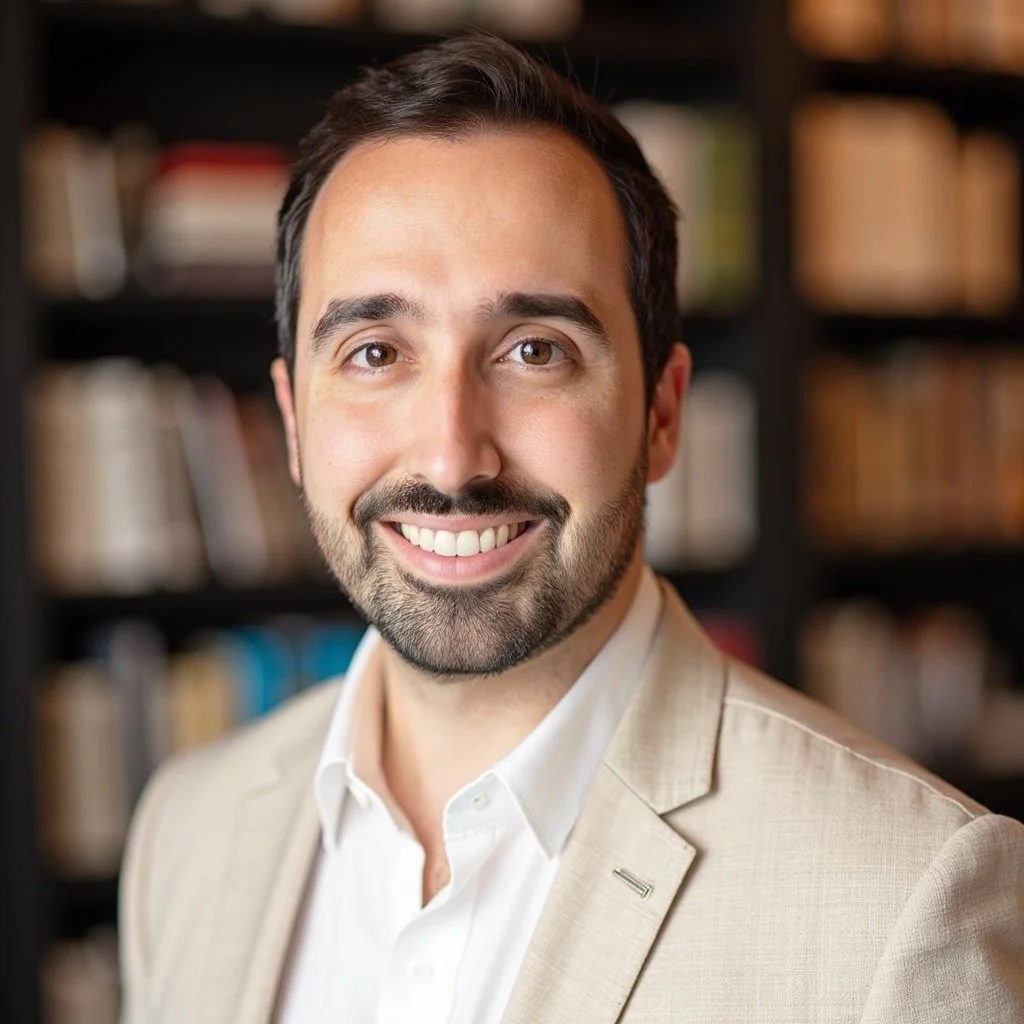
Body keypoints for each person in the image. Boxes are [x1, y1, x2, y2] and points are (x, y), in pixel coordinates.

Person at [118, 33, 1024, 1024]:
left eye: (534, 350)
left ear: (661, 412)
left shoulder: (904, 896)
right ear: (294, 423)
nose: (453, 457)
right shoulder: (188, 831)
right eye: (376, 351)